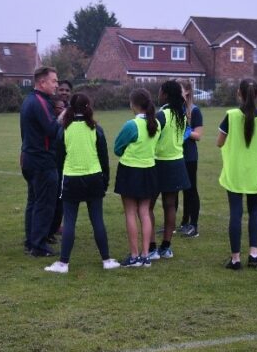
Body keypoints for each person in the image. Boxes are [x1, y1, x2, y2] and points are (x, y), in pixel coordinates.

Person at [45, 93, 120, 273]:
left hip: (71, 179)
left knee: (69, 221)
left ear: (70, 108)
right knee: (97, 220)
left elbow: (58, 158)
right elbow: (104, 158)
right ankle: (107, 260)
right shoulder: (96, 129)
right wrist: (106, 180)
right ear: (88, 107)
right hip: (94, 178)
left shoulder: (64, 129)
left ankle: (63, 263)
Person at [217, 79, 257, 270]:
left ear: (238, 94)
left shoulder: (231, 116)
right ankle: (254, 255)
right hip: (255, 172)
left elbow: (219, 142)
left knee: (235, 212)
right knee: (254, 210)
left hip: (234, 171)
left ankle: (235, 259)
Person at [114, 88, 160, 267]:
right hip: (149, 170)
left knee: (131, 213)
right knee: (145, 212)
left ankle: (134, 256)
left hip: (130, 171)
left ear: (133, 104)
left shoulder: (131, 125)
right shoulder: (156, 123)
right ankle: (146, 255)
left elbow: (117, 148)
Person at [20, 66, 61, 257]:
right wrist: (63, 116)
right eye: (54, 81)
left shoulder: (29, 100)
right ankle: (39, 245)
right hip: (42, 161)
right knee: (44, 203)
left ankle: (31, 241)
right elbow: (52, 129)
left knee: (34, 202)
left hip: (29, 159)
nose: (57, 85)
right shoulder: (40, 102)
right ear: (42, 82)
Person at [148, 80, 190, 260]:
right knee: (170, 205)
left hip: (159, 163)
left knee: (147, 206)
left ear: (165, 94)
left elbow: (151, 137)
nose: (158, 94)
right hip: (177, 163)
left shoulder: (162, 115)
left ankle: (151, 248)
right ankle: (166, 247)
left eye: (160, 91)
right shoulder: (182, 114)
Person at [177, 79, 203, 238]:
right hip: (174, 155)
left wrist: (184, 131)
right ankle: (182, 223)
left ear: (187, 91)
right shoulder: (172, 109)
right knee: (174, 190)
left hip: (189, 157)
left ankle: (193, 225)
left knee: (190, 190)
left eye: (178, 89)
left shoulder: (194, 111)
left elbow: (198, 135)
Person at [46, 97, 67, 243]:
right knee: (51, 200)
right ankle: (47, 231)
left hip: (63, 166)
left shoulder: (65, 124)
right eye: (59, 107)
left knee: (60, 200)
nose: (62, 110)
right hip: (52, 164)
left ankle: (53, 230)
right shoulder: (51, 125)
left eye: (63, 107)